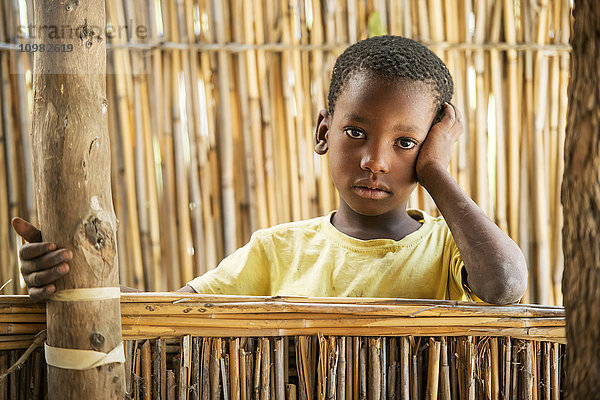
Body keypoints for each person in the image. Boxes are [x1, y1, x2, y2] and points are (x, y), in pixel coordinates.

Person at [13, 35, 527, 304]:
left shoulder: (447, 250)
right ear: (323, 131)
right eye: (356, 133)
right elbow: (174, 316)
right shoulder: (277, 252)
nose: (376, 160)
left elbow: (505, 285)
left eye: (406, 143)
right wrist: (74, 278)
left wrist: (435, 171)